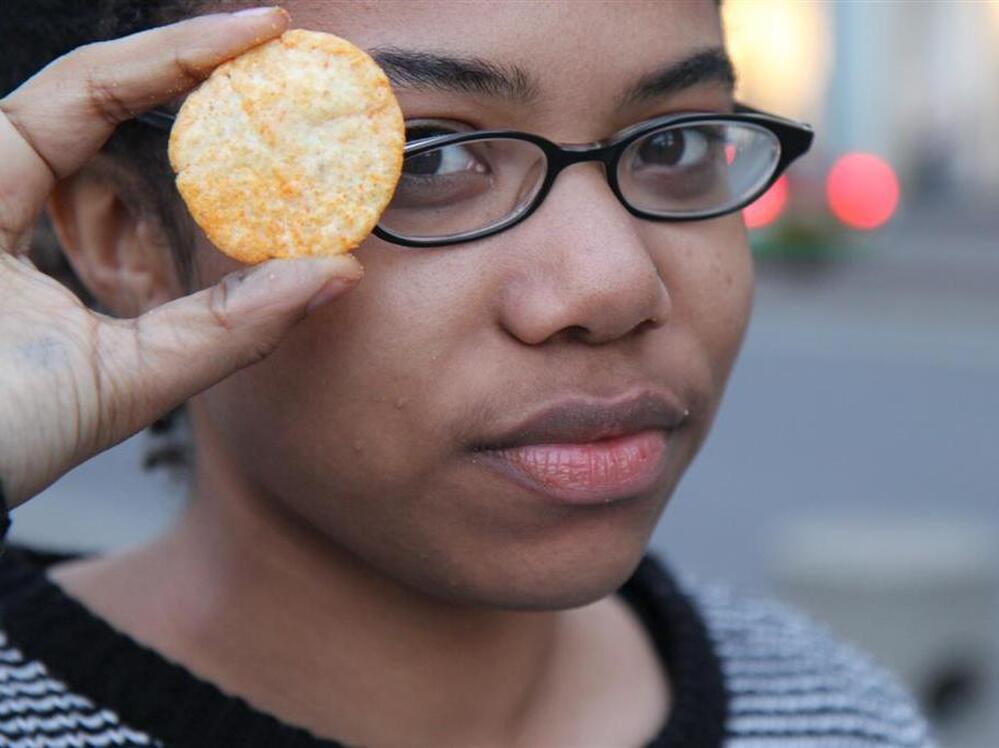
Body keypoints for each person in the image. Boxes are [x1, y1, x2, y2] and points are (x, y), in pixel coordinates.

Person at [0, 1, 933, 746]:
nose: (611, 286)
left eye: (673, 144)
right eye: (425, 159)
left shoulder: (838, 716)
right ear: (127, 237)